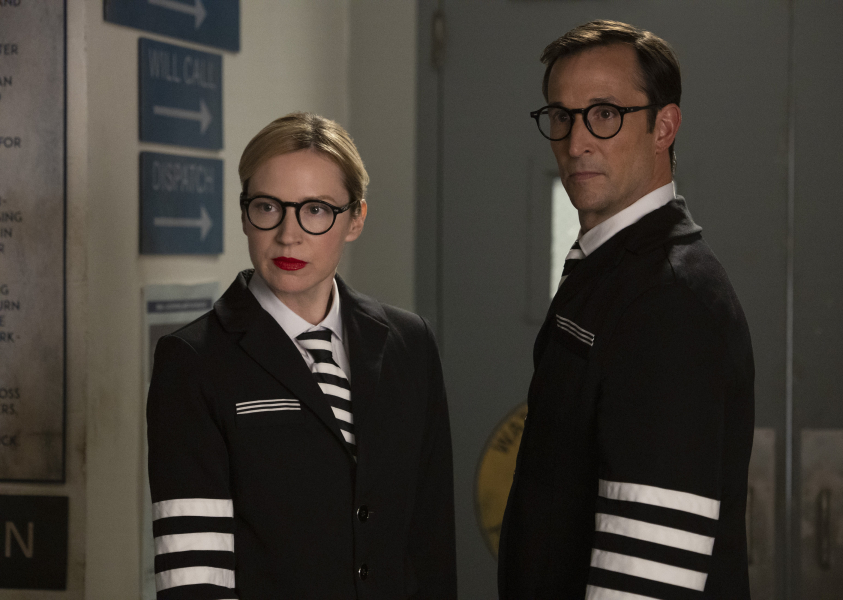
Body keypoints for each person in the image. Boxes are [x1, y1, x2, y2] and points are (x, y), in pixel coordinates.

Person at [147, 112, 457, 600]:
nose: (288, 234)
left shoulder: (409, 343)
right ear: (244, 213)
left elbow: (430, 542)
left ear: (356, 218)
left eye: (315, 210)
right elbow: (195, 573)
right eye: (268, 207)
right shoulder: (192, 360)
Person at [498, 20, 755, 600]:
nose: (576, 142)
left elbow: (649, 575)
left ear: (664, 126)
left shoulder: (672, 299)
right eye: (561, 115)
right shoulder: (612, 268)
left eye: (605, 114)